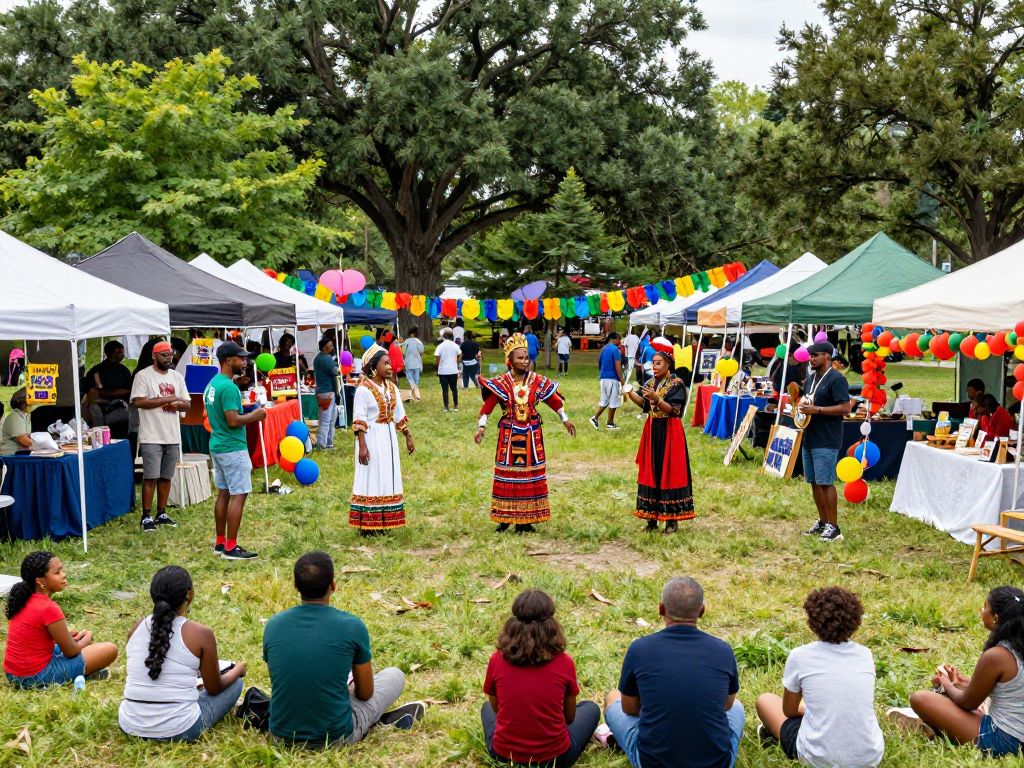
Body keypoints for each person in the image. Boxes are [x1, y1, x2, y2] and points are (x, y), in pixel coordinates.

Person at [263, 551, 425, 746]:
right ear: (333, 585)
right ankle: (372, 721)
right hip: (336, 736)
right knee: (394, 675)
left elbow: (285, 680)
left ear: (295, 585)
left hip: (281, 736)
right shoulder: (352, 626)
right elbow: (365, 694)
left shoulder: (273, 625)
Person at [604, 577, 744, 768]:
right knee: (737, 707)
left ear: (661, 609)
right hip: (717, 763)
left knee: (613, 697)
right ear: (702, 611)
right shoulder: (723, 649)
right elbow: (726, 704)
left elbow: (628, 708)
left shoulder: (639, 648)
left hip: (653, 762)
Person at [756, 587, 884, 768]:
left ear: (812, 621)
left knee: (765, 700)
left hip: (817, 759)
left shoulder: (800, 656)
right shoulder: (866, 655)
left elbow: (789, 711)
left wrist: (805, 709)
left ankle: (772, 736)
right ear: (856, 620)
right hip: (869, 757)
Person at [891, 585, 1024, 757]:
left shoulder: (997, 656)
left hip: (1007, 741)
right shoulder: (1017, 646)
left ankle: (930, 727)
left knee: (920, 698)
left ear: (996, 618)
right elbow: (1009, 689)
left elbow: (967, 703)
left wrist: (946, 685)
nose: (981, 610)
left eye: (985, 607)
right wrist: (961, 682)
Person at [119, 566, 246, 741]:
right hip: (181, 728)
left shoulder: (136, 628)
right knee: (236, 684)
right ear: (190, 594)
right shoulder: (201, 634)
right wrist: (238, 669)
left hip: (130, 724)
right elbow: (214, 688)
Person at [481, 590, 600, 767]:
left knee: (486, 709)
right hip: (555, 757)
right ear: (551, 626)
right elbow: (569, 717)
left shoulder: (496, 659)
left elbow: (496, 707)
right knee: (591, 708)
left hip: (504, 754)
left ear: (512, 624)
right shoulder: (565, 662)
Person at [475, 333, 576, 533]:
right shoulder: (502, 382)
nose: (525, 361)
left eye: (526, 357)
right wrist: (481, 426)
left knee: (528, 476)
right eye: (520, 357)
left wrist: (565, 419)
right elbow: (488, 406)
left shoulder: (536, 381)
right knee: (508, 475)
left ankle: (526, 520)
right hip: (509, 435)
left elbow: (553, 401)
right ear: (510, 360)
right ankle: (504, 518)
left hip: (531, 434)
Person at [3, 551, 118, 687]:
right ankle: (82, 675)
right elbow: (70, 652)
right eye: (57, 572)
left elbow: (34, 637)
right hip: (34, 677)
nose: (64, 575)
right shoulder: (48, 607)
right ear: (40, 581)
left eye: (62, 570)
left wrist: (67, 637)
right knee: (109, 649)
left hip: (13, 674)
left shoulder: (23, 599)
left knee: (75, 646)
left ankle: (82, 673)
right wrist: (86, 639)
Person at [204, 341, 266, 560]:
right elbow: (233, 420)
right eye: (241, 358)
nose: (245, 362)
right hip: (232, 447)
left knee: (223, 493)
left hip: (217, 445)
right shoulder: (229, 388)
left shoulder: (213, 383)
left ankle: (220, 543)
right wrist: (256, 415)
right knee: (238, 495)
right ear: (229, 360)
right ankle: (231, 547)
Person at [624, 350, 693, 533]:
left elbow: (675, 411)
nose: (654, 366)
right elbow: (645, 405)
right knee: (651, 471)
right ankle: (651, 519)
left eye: (659, 363)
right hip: (653, 429)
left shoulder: (677, 384)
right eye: (653, 363)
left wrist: (658, 399)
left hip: (670, 430)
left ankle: (671, 520)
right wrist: (631, 394)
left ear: (668, 364)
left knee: (669, 471)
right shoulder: (650, 383)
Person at [350, 347, 415, 534]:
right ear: (374, 366)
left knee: (387, 475)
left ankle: (385, 520)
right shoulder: (363, 390)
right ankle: (368, 525)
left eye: (390, 363)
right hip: (371, 439)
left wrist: (408, 437)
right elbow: (359, 419)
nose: (389, 366)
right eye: (385, 363)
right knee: (372, 475)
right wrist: (362, 446)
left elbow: (399, 415)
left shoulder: (392, 388)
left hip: (389, 439)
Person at [130, 341, 190, 532]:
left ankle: (161, 513)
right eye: (164, 355)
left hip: (172, 434)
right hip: (151, 435)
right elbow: (138, 401)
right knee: (150, 478)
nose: (168, 358)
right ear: (154, 356)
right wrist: (169, 399)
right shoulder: (143, 376)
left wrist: (176, 405)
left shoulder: (177, 377)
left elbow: (187, 404)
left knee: (166, 477)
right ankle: (146, 516)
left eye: (170, 355)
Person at [797, 342, 852, 542]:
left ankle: (834, 527)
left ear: (827, 357)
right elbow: (807, 402)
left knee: (826, 482)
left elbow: (845, 408)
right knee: (814, 482)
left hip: (827, 438)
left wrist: (818, 410)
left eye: (816, 355)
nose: (811, 359)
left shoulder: (836, 379)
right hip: (810, 435)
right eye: (810, 355)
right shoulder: (810, 380)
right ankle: (822, 522)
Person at [86, 339, 133, 438]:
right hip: (100, 412)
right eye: (119, 352)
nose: (122, 355)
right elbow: (92, 391)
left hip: (121, 412)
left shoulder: (124, 370)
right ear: (110, 353)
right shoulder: (97, 371)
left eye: (122, 352)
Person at [590, 333, 624, 431]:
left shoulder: (603, 349)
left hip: (603, 378)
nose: (620, 342)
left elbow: (599, 363)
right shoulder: (615, 349)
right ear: (615, 339)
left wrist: (603, 374)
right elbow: (618, 366)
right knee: (613, 401)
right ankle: (607, 422)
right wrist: (622, 380)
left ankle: (600, 420)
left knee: (605, 400)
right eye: (619, 339)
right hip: (612, 378)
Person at [313, 337, 340, 450]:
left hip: (322, 391)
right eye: (331, 346)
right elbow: (335, 373)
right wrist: (337, 392)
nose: (333, 347)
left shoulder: (317, 358)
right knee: (327, 420)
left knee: (328, 419)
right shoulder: (326, 359)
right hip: (328, 392)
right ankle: (323, 444)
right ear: (325, 347)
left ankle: (327, 443)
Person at [435, 329, 462, 412]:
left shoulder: (440, 346)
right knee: (454, 389)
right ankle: (456, 406)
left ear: (443, 337)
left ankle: (446, 407)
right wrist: (457, 361)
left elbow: (437, 356)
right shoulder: (455, 345)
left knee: (445, 390)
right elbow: (460, 354)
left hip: (443, 371)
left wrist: (438, 365)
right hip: (453, 370)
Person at [1, 387, 32, 455]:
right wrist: (45, 443)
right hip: (11, 457)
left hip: (20, 455)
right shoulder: (14, 416)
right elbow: (24, 441)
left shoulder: (25, 416)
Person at [402, 328, 425, 402]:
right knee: (416, 381)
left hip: (408, 364)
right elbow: (421, 352)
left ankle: (414, 396)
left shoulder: (405, 342)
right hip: (417, 364)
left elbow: (403, 353)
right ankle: (416, 396)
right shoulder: (418, 342)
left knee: (411, 381)